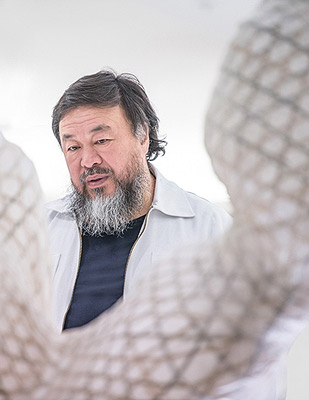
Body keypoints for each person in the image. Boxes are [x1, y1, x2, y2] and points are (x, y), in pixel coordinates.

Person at [47, 70, 232, 332]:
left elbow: (244, 336)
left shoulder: (210, 228)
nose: (88, 161)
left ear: (142, 136)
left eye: (101, 140)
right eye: (73, 147)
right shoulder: (41, 228)